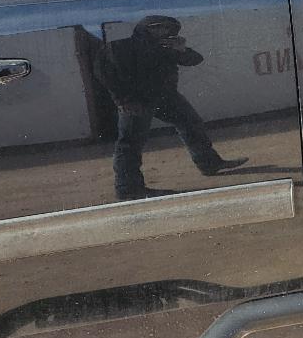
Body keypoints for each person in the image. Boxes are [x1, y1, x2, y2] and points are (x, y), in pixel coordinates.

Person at [94, 16, 247, 200]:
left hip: (165, 97)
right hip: (136, 101)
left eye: (166, 28)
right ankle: (128, 189)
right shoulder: (120, 46)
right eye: (157, 27)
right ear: (144, 28)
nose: (163, 31)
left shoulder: (166, 47)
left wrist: (181, 49)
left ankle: (209, 164)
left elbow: (195, 59)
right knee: (130, 143)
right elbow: (103, 72)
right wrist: (123, 100)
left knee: (191, 122)